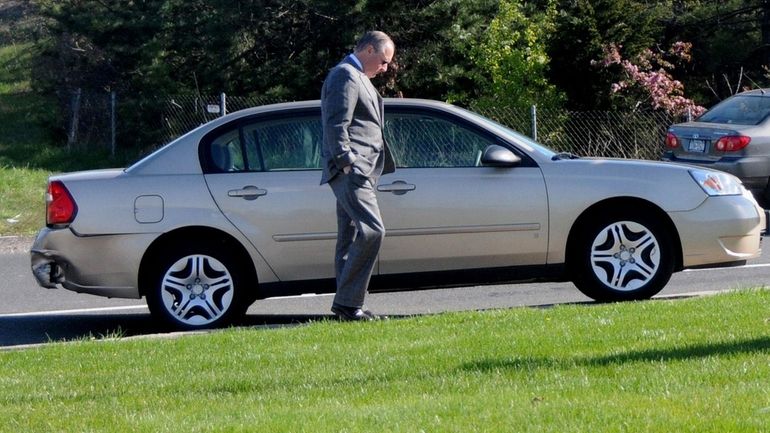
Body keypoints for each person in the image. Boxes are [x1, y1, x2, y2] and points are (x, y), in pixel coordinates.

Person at [320, 31, 396, 321]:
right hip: (351, 170)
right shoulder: (345, 75)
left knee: (349, 238)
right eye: (383, 61)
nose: (385, 68)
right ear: (367, 50)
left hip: (360, 170)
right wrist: (346, 160)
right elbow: (336, 121)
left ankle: (346, 308)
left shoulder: (357, 76)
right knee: (373, 230)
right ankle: (349, 304)